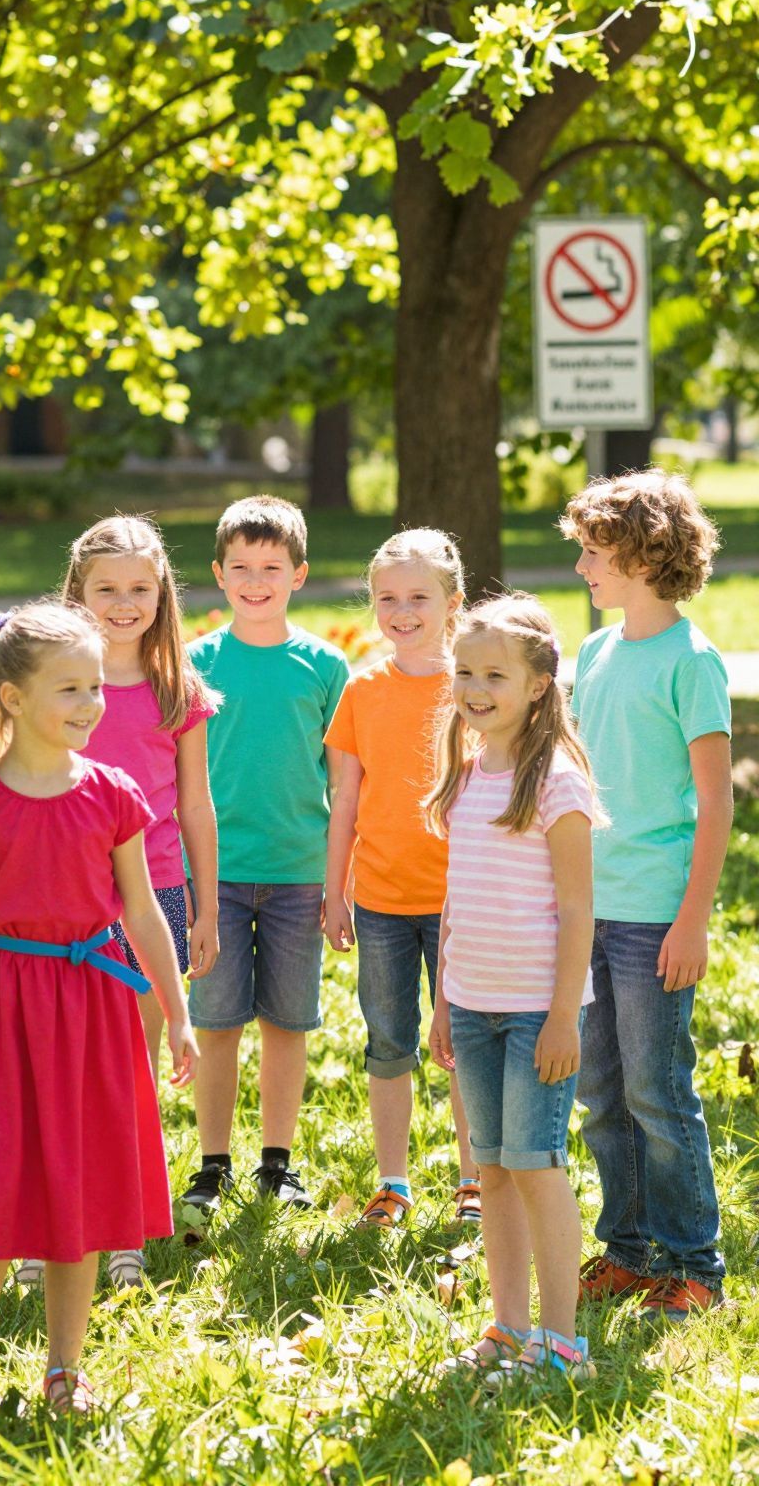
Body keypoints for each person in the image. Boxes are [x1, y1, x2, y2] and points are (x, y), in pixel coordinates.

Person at [0, 600, 198, 1415]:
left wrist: (175, 1013)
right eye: (69, 689)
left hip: (95, 1006)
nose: (90, 704)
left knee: (81, 1180)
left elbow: (143, 911)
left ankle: (65, 1364)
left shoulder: (112, 792)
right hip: (0, 1005)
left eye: (95, 687)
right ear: (9, 697)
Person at [561, 469, 733, 1320]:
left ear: (639, 554)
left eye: (594, 552)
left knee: (658, 1091)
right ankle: (627, 1252)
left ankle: (695, 1263)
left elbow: (716, 800)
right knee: (602, 1088)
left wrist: (693, 919)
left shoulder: (691, 661)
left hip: (657, 914)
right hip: (590, 906)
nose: (583, 567)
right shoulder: (594, 652)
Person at [428, 595, 599, 1381]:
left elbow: (576, 909)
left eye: (494, 673)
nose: (473, 686)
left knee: (535, 1164)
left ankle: (561, 1341)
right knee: (490, 1170)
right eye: (464, 671)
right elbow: (457, 900)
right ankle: (506, 1326)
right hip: (471, 1005)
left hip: (537, 1014)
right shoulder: (465, 777)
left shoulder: (556, 784)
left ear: (537, 685)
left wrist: (564, 1015)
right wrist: (442, 999)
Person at [60, 513, 220, 1291]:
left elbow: (196, 808)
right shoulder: (53, 683)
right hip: (64, 899)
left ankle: (124, 1229)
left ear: (162, 594)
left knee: (130, 1069)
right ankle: (54, 1228)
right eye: (106, 589)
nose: (123, 604)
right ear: (77, 591)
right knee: (61, 1069)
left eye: (139, 589)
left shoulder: (176, 690)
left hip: (152, 898)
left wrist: (207, 906)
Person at [179, 495, 350, 1218]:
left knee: (287, 1021)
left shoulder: (325, 666)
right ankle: (212, 1163)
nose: (256, 581)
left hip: (296, 874)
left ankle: (276, 1163)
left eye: (271, 567)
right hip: (211, 877)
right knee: (215, 1023)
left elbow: (343, 783)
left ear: (299, 574)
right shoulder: (193, 663)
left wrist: (337, 883)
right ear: (219, 574)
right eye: (242, 568)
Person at [323, 528, 479, 1232]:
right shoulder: (362, 690)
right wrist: (335, 890)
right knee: (389, 1042)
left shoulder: (475, 687)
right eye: (387, 598)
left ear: (453, 602)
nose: (402, 611)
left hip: (463, 904)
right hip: (380, 902)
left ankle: (474, 1180)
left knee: (463, 1044)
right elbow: (345, 802)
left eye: (419, 597)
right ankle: (394, 1182)